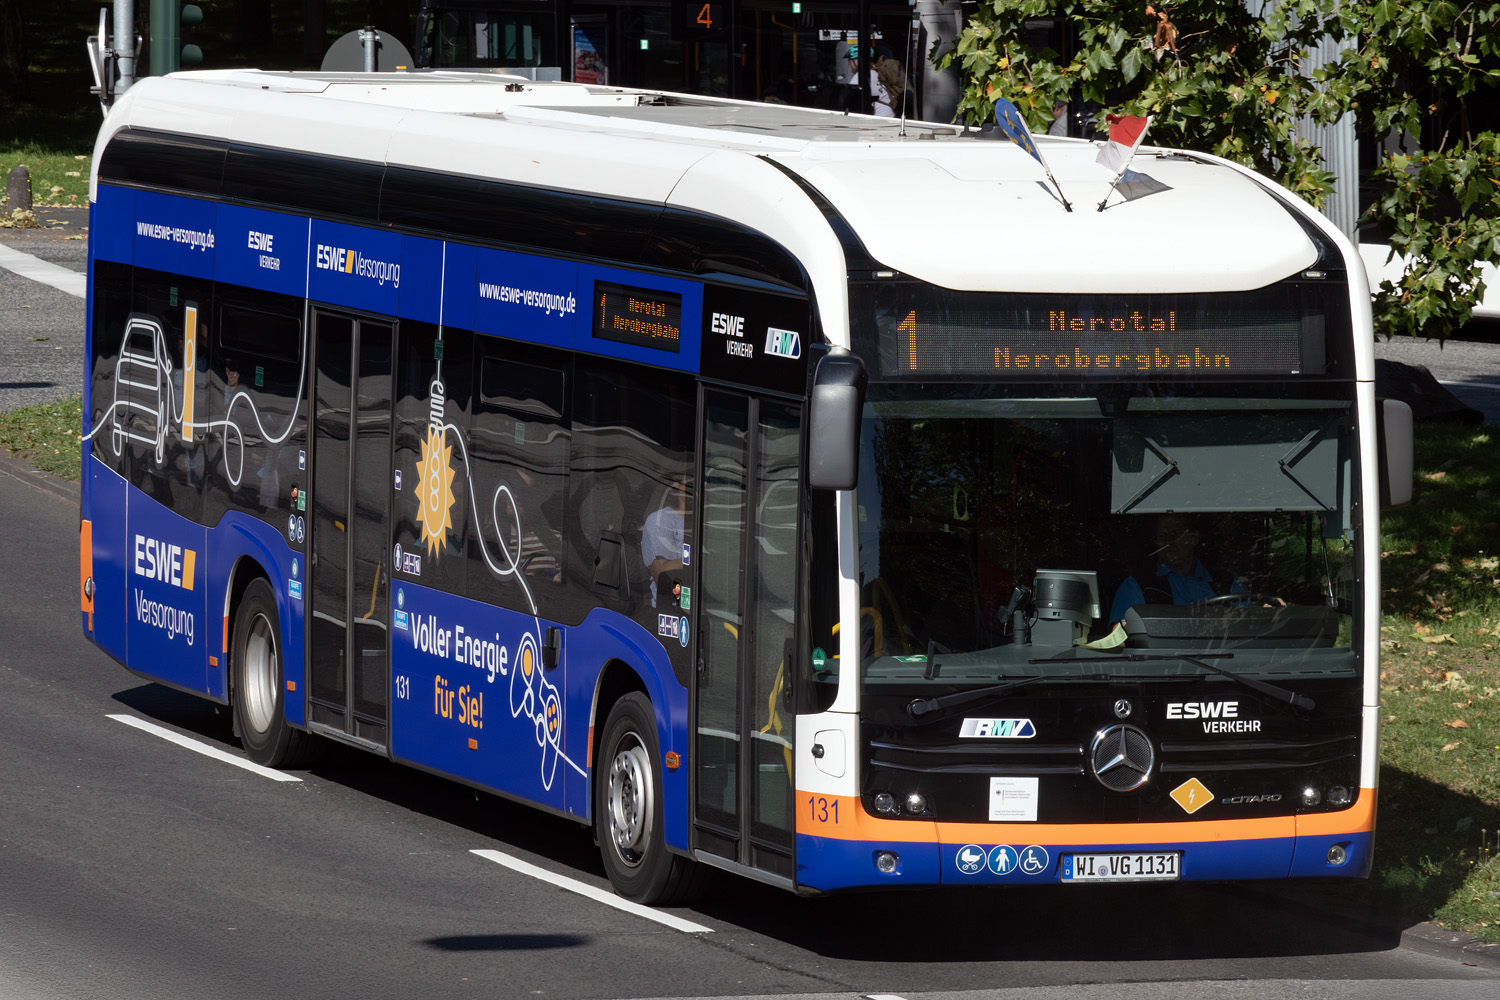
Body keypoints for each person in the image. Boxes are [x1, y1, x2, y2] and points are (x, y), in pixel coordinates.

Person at [1107, 513, 1247, 624]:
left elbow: (1252, 622)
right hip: (1162, 660)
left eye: (1175, 534)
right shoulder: (1137, 585)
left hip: (1224, 659)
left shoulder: (1227, 582)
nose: (1168, 542)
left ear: (1194, 538)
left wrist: (1263, 610)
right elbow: (1120, 638)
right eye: (1163, 536)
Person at [641, 476, 689, 608]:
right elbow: (661, 572)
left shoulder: (710, 519)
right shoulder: (660, 520)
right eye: (689, 483)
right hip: (671, 609)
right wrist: (701, 561)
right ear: (678, 487)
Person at [844, 44, 895, 118]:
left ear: (857, 61)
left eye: (850, 60)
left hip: (880, 119)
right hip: (890, 114)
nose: (849, 64)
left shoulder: (861, 76)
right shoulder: (878, 72)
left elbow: (849, 101)